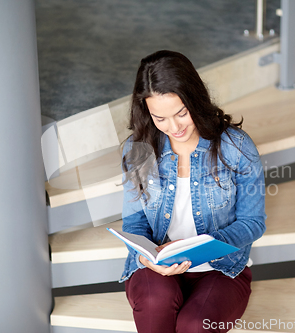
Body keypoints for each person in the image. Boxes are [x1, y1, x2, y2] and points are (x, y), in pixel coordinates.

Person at [119, 50, 266, 333]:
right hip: (157, 269)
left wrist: (206, 244)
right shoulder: (137, 150)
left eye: (181, 113)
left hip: (220, 269)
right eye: (159, 118)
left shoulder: (236, 147)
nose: (174, 128)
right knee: (154, 301)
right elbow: (134, 223)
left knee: (195, 325)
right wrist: (146, 257)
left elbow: (253, 222)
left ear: (195, 100)